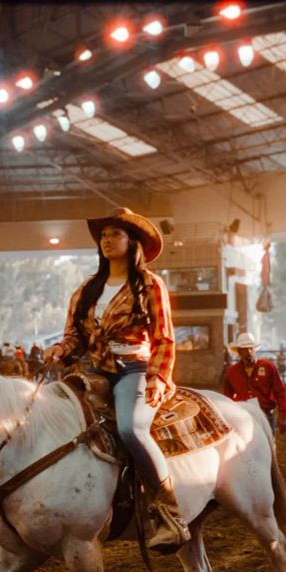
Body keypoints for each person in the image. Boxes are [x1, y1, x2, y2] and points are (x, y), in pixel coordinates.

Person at [43, 207, 189, 553]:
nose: (107, 240)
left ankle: (169, 507)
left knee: (130, 429)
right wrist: (60, 350)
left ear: (132, 241)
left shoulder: (150, 285)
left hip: (133, 368)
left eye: (115, 234)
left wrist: (156, 377)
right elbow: (74, 337)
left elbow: (164, 338)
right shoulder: (87, 290)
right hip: (94, 370)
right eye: (104, 236)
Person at [221, 333, 286, 435]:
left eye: (251, 348)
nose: (249, 352)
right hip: (243, 416)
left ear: (254, 349)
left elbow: (279, 391)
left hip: (265, 414)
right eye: (245, 349)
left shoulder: (268, 367)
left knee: (268, 448)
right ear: (239, 352)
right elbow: (227, 398)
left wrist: (283, 416)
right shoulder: (232, 372)